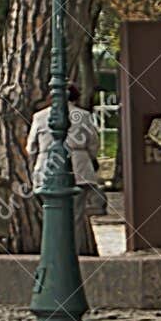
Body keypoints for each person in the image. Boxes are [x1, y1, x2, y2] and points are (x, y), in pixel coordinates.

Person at [28, 84, 102, 256]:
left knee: (50, 214)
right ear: (75, 98)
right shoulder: (84, 116)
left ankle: (52, 252)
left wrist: (36, 162)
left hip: (46, 167)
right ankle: (71, 254)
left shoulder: (39, 117)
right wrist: (88, 158)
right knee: (75, 217)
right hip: (79, 168)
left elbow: (31, 147)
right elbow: (93, 143)